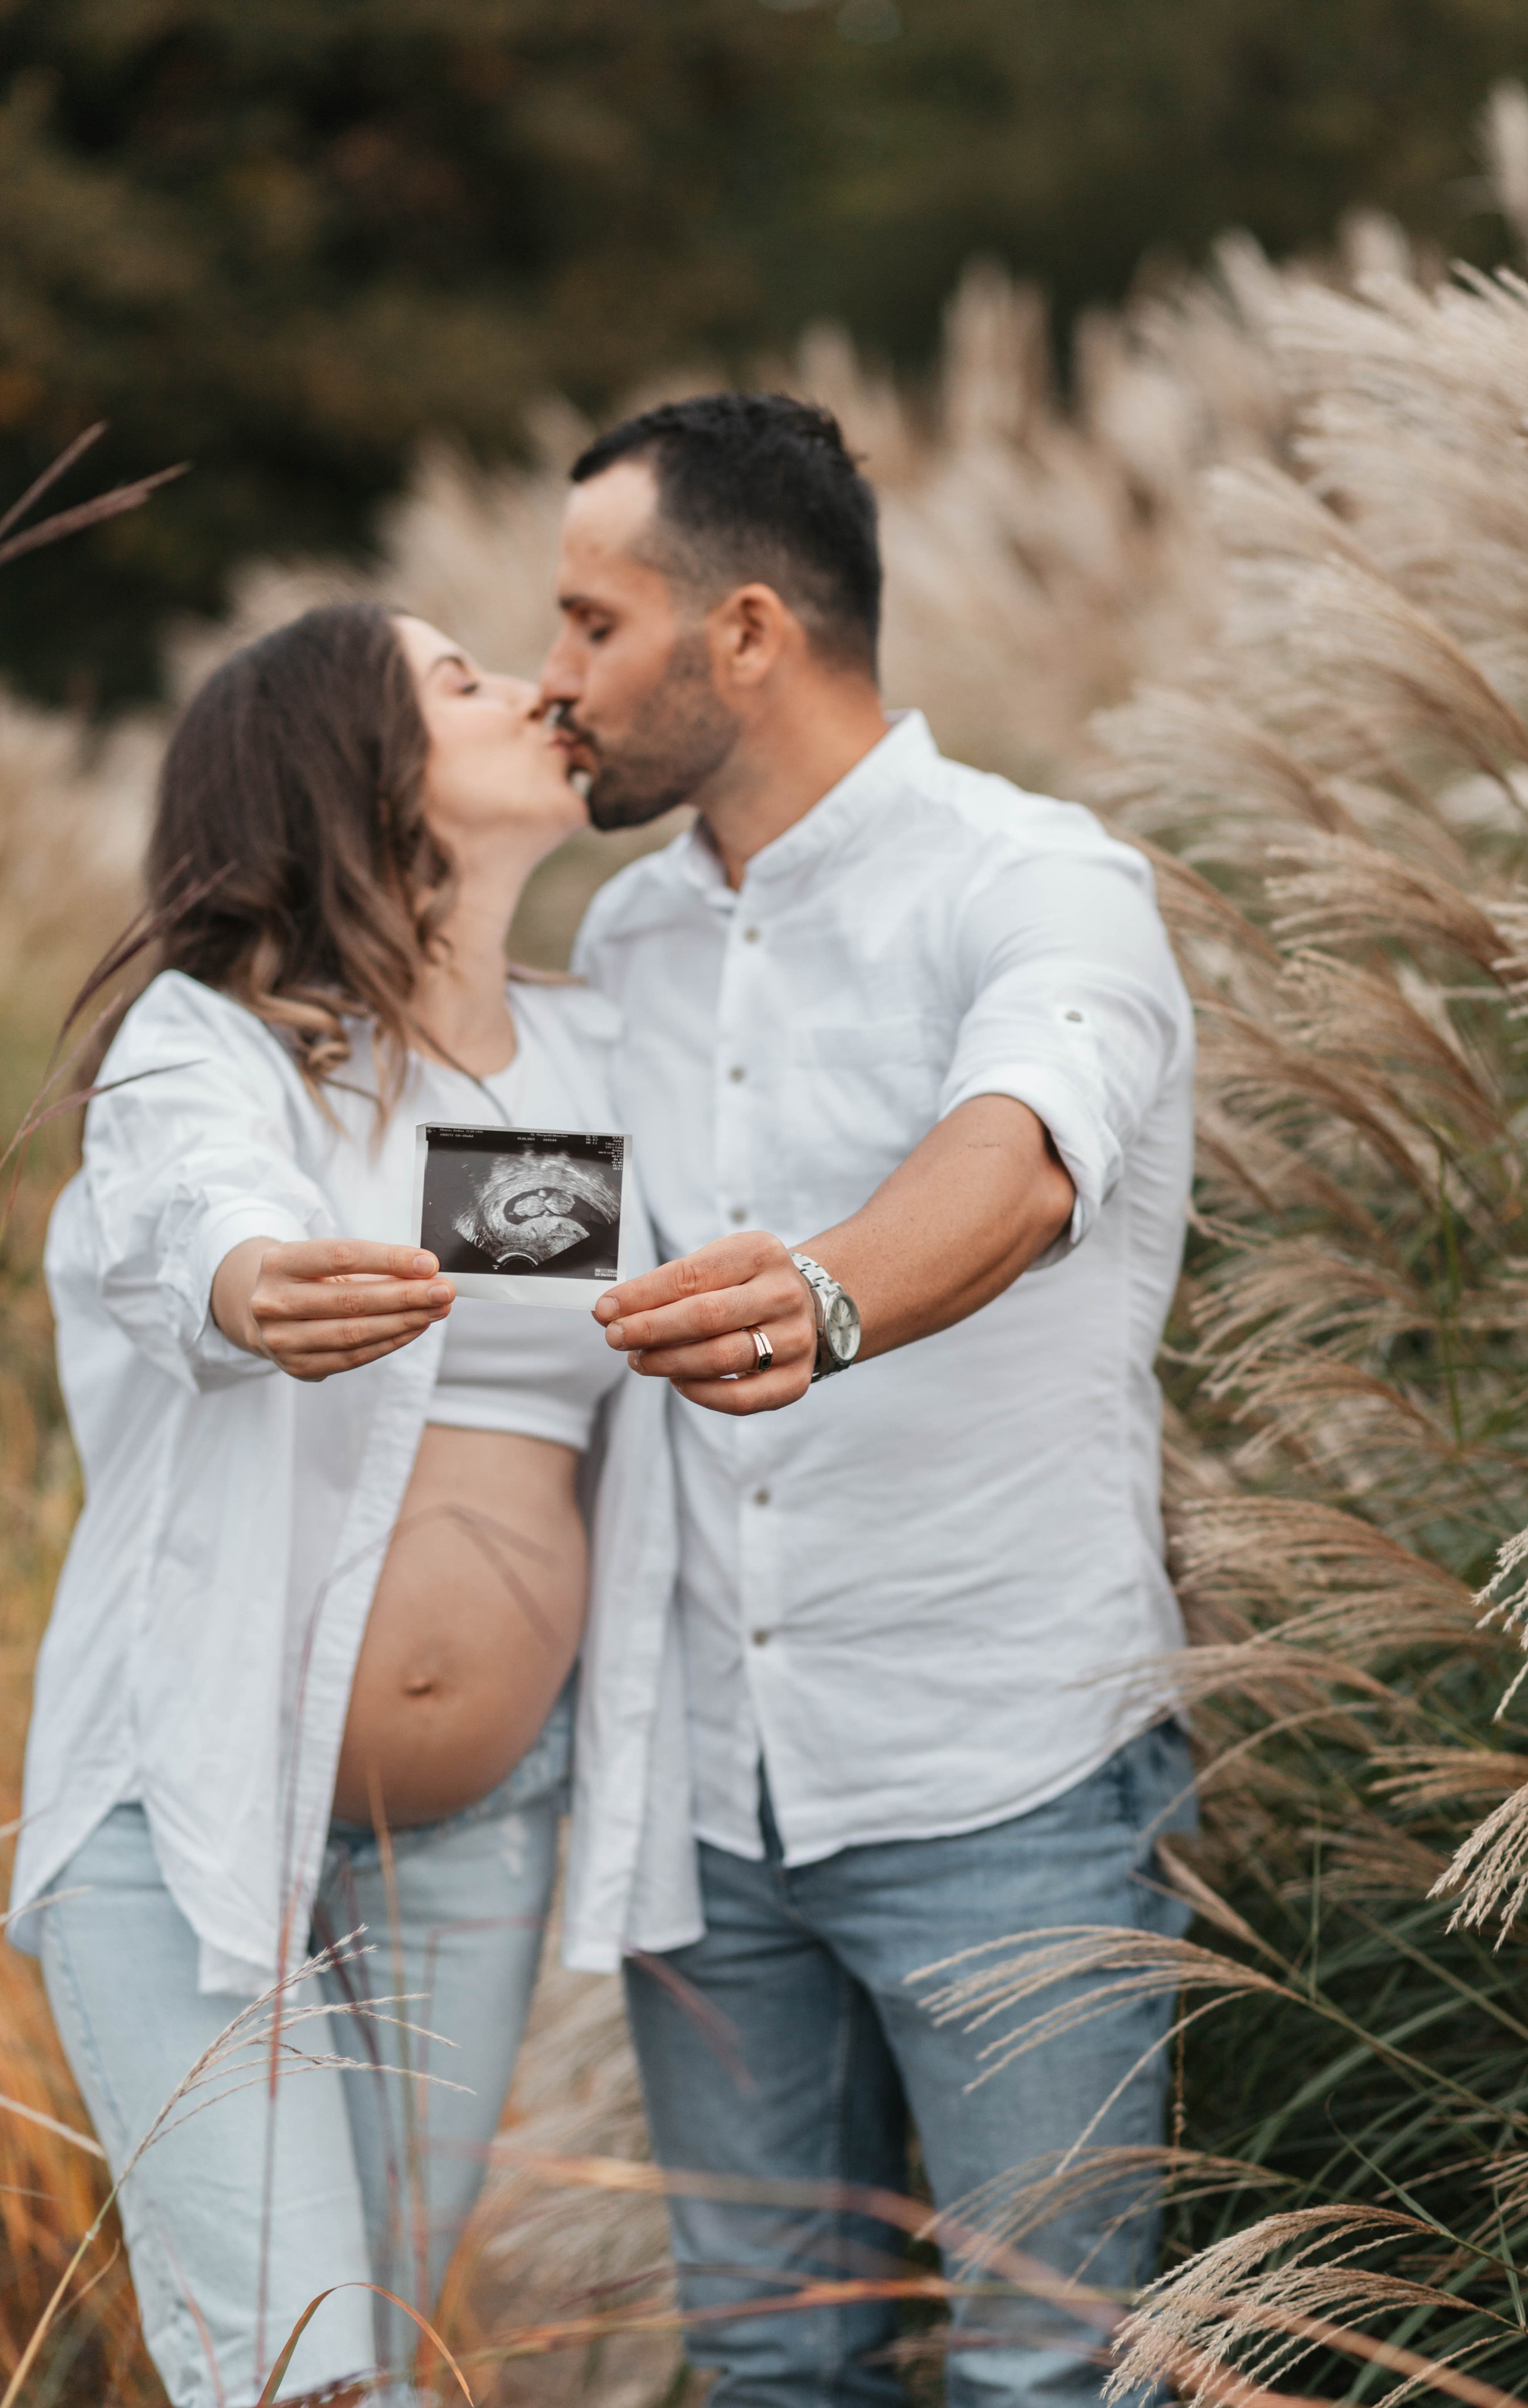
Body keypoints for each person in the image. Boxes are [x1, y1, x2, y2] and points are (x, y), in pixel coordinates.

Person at [540, 394, 1197, 2406]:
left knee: (1044, 2375)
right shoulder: (623, 938)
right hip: (705, 1793)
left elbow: (1018, 1152)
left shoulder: (1044, 884)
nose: (554, 682)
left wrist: (828, 1298)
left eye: (588, 626)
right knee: (767, 2368)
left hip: (999, 1777)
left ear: (744, 634)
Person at [7, 604, 682, 2408]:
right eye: (458, 681)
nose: (531, 685)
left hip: (470, 1841)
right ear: (356, 774)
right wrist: (250, 1285)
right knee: (303, 2379)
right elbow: (186, 1213)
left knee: (373, 2345)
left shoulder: (599, 1061)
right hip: (190, 1814)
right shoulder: (212, 1052)